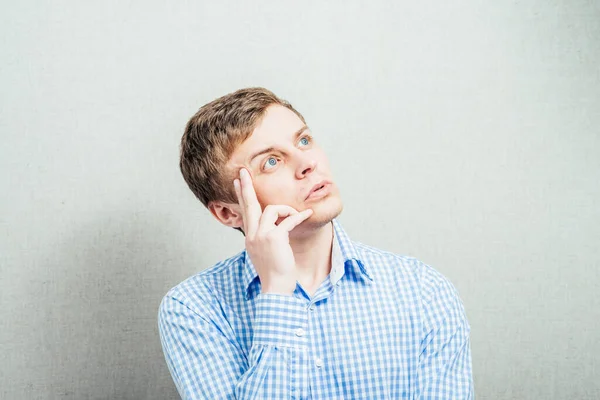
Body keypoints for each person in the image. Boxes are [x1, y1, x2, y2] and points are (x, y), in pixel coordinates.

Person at [158, 87, 474, 399]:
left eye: (304, 141)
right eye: (271, 161)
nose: (307, 163)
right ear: (228, 212)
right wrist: (278, 290)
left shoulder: (424, 292)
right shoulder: (193, 310)